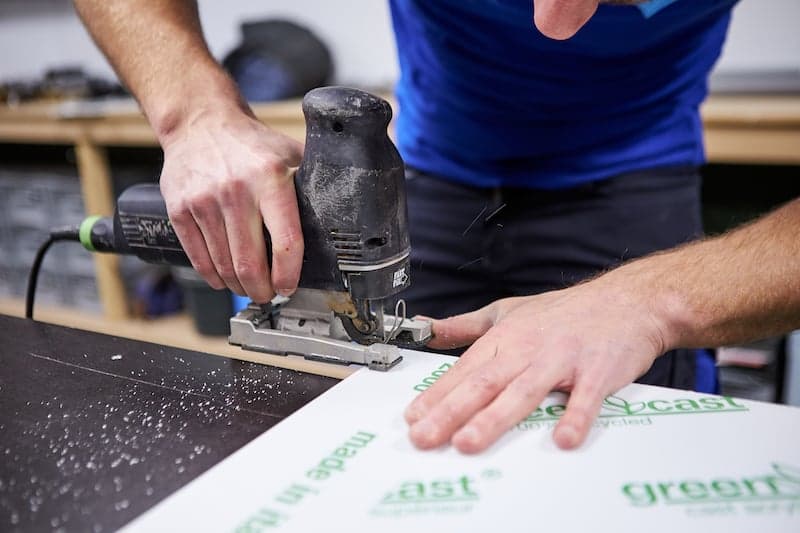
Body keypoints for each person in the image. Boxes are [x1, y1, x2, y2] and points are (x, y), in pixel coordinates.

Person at [74, 0, 800, 452]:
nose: (554, 20)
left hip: (636, 167)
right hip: (430, 166)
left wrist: (653, 299)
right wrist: (192, 112)